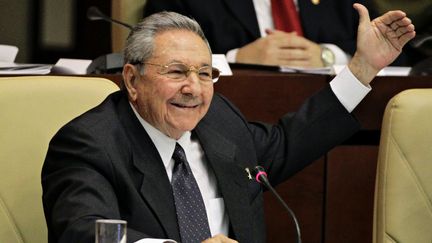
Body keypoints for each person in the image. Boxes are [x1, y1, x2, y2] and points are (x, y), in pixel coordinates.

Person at [42, 4, 415, 243]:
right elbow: (84, 231)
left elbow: (290, 140)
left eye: (206, 73)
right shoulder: (89, 142)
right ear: (132, 79)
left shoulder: (219, 120)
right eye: (176, 72)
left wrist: (363, 68)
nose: (194, 88)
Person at [144, 0, 378, 67]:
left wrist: (332, 56)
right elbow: (159, 59)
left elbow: (402, 54)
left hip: (341, 130)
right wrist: (236, 59)